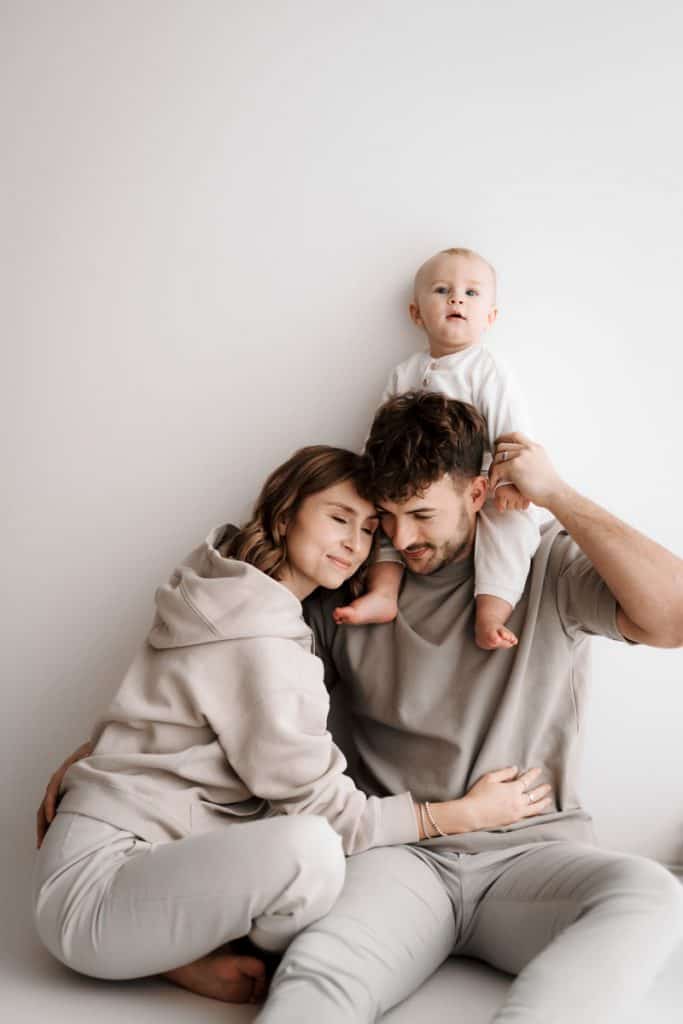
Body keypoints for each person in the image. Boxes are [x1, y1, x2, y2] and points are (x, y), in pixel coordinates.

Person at [34, 444, 553, 1007]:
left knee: (313, 856)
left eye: (368, 527)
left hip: (120, 859)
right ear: (284, 516)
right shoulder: (258, 637)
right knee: (314, 853)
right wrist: (463, 814)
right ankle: (179, 958)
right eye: (337, 518)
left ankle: (177, 952)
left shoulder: (227, 587)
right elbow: (330, 815)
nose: (355, 543)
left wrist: (89, 763)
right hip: (97, 895)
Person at [252, 393, 683, 1024]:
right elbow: (243, 684)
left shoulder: (544, 566)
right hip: (400, 860)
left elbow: (673, 619)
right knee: (319, 975)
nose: (400, 537)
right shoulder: (353, 588)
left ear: (478, 493)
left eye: (422, 514)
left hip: (530, 858)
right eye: (388, 515)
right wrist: (107, 746)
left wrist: (559, 494)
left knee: (651, 895)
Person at [335, 246, 540, 651]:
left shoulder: (487, 368)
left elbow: (511, 431)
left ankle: (491, 611)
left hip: (484, 483)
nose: (456, 299)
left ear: (490, 318)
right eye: (443, 289)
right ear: (417, 314)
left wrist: (512, 482)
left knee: (510, 531)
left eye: (471, 293)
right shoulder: (405, 372)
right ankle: (383, 593)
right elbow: (383, 428)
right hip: (408, 481)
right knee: (389, 525)